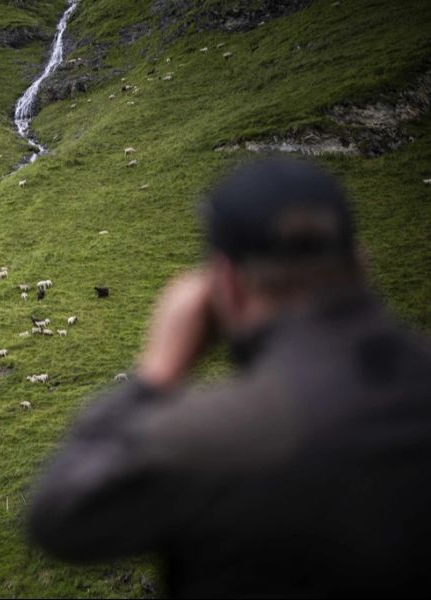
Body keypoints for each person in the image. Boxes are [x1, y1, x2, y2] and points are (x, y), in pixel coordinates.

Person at [27, 158, 431, 597]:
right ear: (360, 264)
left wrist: (157, 374)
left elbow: (61, 517)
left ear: (226, 285)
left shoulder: (219, 433)